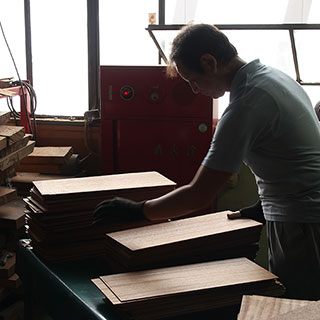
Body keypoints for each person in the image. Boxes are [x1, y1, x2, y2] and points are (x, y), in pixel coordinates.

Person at [94, 23, 320, 300]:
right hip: (301, 212)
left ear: (209, 62)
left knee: (300, 307)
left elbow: (199, 194)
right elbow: (294, 153)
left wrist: (138, 210)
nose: (193, 89)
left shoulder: (247, 104)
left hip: (303, 221)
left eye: (192, 79)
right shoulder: (274, 77)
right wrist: (264, 205)